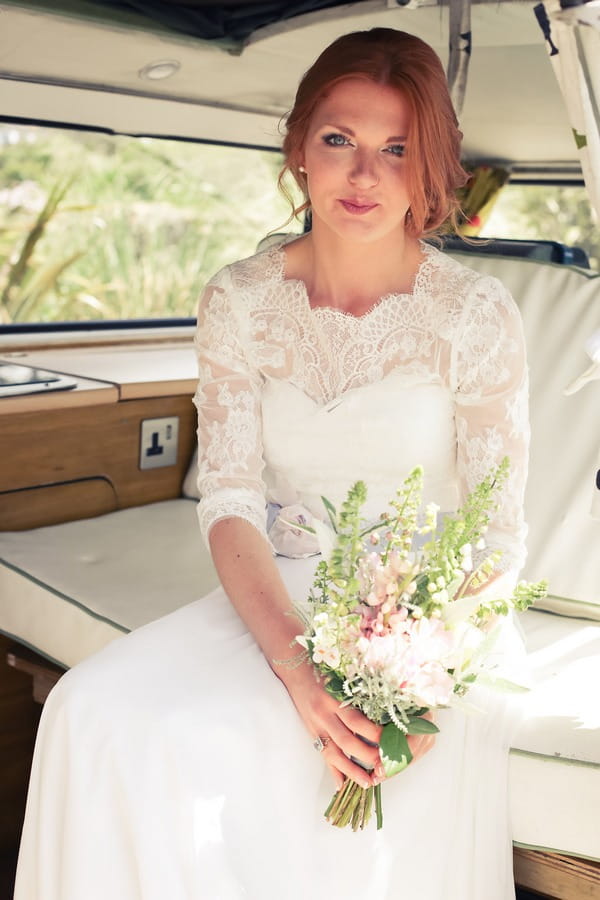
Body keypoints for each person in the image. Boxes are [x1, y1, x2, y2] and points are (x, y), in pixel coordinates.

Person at [15, 27, 529, 900]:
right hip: (278, 593)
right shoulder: (239, 299)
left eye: (396, 150)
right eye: (339, 141)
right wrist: (299, 668)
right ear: (298, 148)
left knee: (275, 745)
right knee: (87, 710)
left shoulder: (474, 314)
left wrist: (419, 668)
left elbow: (495, 532)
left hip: (436, 615)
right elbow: (229, 499)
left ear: (430, 165)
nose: (364, 177)